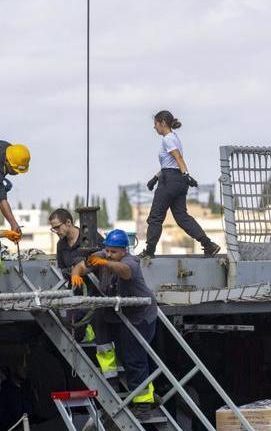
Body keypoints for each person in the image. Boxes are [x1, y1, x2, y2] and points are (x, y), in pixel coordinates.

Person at [69, 229, 160, 415]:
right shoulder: (104, 255)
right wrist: (76, 273)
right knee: (116, 348)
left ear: (124, 251)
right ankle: (131, 391)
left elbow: (125, 272)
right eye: (107, 250)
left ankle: (143, 405)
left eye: (113, 252)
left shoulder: (130, 262)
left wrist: (105, 262)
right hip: (120, 313)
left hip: (140, 316)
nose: (109, 254)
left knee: (134, 358)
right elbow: (82, 265)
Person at [140, 111, 220, 258]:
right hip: (177, 180)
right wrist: (156, 177)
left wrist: (186, 174)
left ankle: (149, 252)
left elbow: (178, 158)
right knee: (182, 217)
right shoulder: (174, 138)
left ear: (162, 123)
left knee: (155, 217)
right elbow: (170, 164)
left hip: (170, 182)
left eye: (155, 124)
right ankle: (209, 245)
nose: (154, 127)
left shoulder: (167, 139)